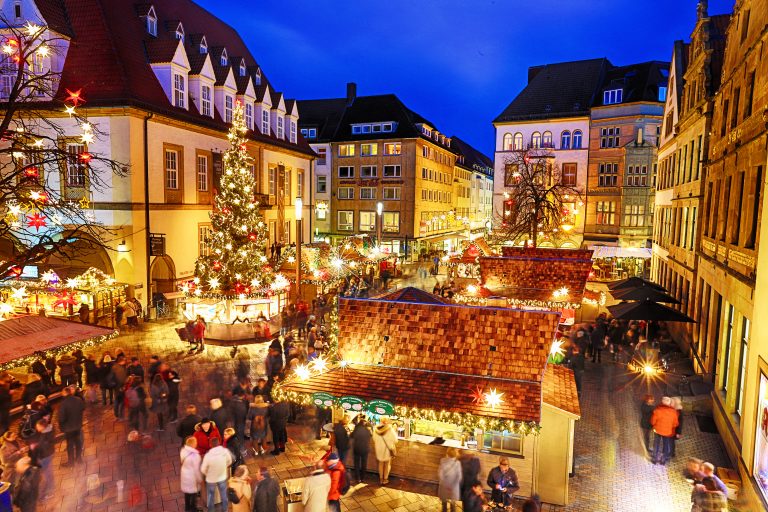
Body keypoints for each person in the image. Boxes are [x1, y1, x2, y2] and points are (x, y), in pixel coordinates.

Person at [200, 436, 232, 512]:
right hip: (222, 477)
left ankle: (211, 510)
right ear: (219, 443)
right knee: (224, 495)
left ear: (210, 445)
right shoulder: (225, 451)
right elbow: (229, 461)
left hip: (211, 479)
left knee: (211, 496)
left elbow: (203, 469)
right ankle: (225, 510)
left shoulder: (208, 455)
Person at [57, 385, 85, 467]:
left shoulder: (63, 403)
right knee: (78, 442)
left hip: (69, 428)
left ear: (65, 393)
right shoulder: (78, 400)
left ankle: (71, 462)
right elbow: (83, 408)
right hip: (78, 425)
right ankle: (79, 459)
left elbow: (61, 418)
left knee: (70, 445)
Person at [28, 418, 54, 501]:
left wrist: (35, 446)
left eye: (38, 426)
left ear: (42, 426)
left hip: (45, 456)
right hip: (47, 454)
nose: (37, 428)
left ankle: (48, 492)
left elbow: (44, 445)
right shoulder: (47, 431)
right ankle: (50, 489)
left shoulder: (46, 433)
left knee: (46, 474)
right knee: (48, 473)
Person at [650, 396, 679, 465]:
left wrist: (654, 426)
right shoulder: (674, 412)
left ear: (662, 402)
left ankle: (654, 458)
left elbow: (652, 421)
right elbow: (675, 424)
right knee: (666, 445)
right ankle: (663, 460)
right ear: (669, 404)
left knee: (656, 444)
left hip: (657, 430)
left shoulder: (657, 411)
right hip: (667, 432)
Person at [180, 436, 203, 512]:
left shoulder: (183, 451)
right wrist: (200, 479)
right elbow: (196, 470)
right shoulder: (195, 456)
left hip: (184, 475)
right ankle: (193, 509)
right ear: (193, 444)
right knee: (193, 494)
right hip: (191, 477)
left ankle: (187, 508)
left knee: (187, 493)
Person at [372, 419, 397, 485]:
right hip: (387, 450)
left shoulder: (375, 429)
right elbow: (395, 440)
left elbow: (374, 439)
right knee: (387, 464)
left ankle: (381, 479)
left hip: (379, 449)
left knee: (380, 464)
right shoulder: (390, 429)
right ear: (386, 421)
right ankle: (385, 479)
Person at [438, 447, 462, 512]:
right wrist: (452, 487)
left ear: (447, 453)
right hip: (453, 488)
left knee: (444, 504)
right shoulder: (457, 463)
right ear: (455, 455)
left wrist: (445, 485)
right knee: (453, 504)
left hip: (444, 487)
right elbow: (459, 477)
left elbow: (440, 475)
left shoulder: (442, 460)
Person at [351, 416, 372, 484]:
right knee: (364, 464)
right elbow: (371, 435)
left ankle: (357, 478)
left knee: (356, 464)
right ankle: (363, 478)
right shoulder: (367, 430)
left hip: (357, 449)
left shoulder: (356, 429)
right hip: (365, 449)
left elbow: (351, 436)